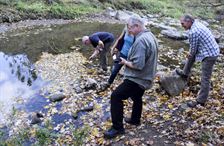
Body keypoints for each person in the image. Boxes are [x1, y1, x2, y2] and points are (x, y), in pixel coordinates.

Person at [104, 16, 158, 139]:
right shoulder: (150, 36)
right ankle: (135, 119)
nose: (129, 31)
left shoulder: (141, 41)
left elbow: (138, 65)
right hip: (147, 76)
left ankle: (117, 128)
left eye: (130, 28)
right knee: (136, 96)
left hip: (138, 78)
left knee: (116, 96)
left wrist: (124, 62)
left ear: (137, 26)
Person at [176, 14, 220, 108]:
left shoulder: (193, 32)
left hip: (210, 54)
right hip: (211, 49)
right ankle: (185, 73)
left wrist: (190, 54)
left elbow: (193, 50)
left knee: (205, 78)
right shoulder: (196, 24)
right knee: (190, 56)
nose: (181, 25)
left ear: (189, 21)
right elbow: (193, 50)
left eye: (182, 23)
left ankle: (201, 101)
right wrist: (190, 54)